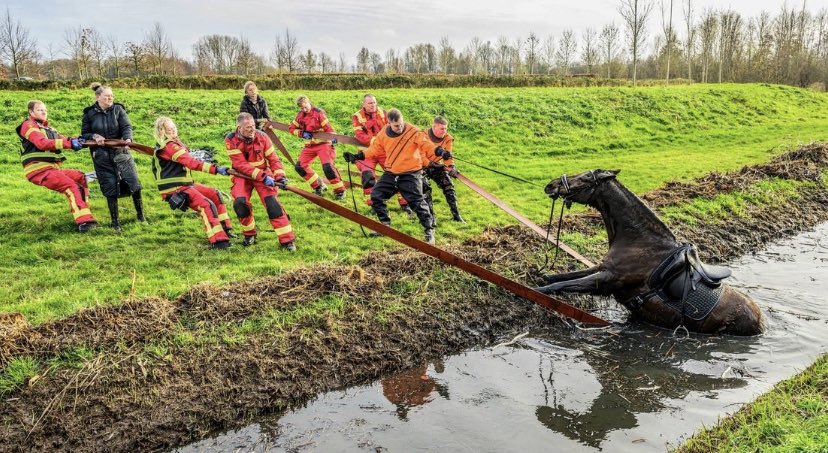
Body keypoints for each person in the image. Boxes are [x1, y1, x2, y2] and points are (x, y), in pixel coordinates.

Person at [344, 109, 448, 244]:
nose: (400, 127)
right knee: (376, 195)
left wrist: (440, 151)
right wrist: (357, 156)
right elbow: (375, 149)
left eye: (401, 124)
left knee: (417, 202)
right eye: (396, 126)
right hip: (392, 172)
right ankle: (385, 225)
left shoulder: (413, 131)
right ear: (389, 123)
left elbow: (426, 145)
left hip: (411, 173)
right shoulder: (383, 134)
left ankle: (429, 230)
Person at [152, 116, 234, 249]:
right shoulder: (170, 146)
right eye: (169, 129)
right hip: (175, 187)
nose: (173, 130)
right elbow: (191, 163)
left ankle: (225, 229)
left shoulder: (174, 144)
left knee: (215, 194)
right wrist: (216, 169)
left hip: (185, 184)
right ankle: (219, 241)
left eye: (173, 127)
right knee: (206, 205)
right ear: (162, 131)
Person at [17, 100, 97, 233]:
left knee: (80, 177)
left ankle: (83, 209)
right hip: (38, 170)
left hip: (52, 169)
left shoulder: (49, 129)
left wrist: (79, 140)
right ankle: (85, 222)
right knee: (72, 186)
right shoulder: (28, 125)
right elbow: (42, 143)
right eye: (40, 110)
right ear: (31, 112)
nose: (44, 112)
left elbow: (64, 139)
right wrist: (70, 144)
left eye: (45, 110)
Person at [225, 112, 296, 251]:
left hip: (263, 173)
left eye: (253, 126)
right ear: (239, 127)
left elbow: (273, 159)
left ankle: (287, 240)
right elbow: (240, 165)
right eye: (248, 127)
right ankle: (249, 234)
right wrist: (262, 177)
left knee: (272, 204)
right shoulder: (230, 140)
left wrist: (280, 176)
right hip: (242, 175)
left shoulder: (263, 137)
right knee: (240, 204)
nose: (252, 129)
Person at [81, 83, 144, 231]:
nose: (110, 98)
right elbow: (84, 133)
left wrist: (127, 139)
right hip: (101, 156)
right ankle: (115, 223)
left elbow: (126, 127)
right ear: (98, 97)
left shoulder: (118, 109)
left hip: (121, 153)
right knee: (110, 188)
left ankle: (141, 216)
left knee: (134, 183)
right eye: (107, 96)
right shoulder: (89, 113)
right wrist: (94, 136)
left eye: (111, 96)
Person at [351, 94, 411, 214]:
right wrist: (376, 141)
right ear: (364, 104)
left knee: (396, 173)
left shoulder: (384, 113)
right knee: (367, 176)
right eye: (370, 103)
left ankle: (405, 203)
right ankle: (375, 205)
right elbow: (360, 135)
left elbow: (392, 129)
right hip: (367, 151)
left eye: (374, 102)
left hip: (384, 150)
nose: (373, 105)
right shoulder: (357, 116)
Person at [287, 95, 346, 200]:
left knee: (328, 167)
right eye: (302, 108)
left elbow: (329, 129)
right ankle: (319, 186)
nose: (304, 110)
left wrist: (334, 138)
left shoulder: (319, 113)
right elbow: (291, 129)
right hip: (310, 145)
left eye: (305, 107)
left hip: (324, 144)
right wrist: (301, 133)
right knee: (299, 167)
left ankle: (340, 191)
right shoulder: (300, 115)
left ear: (308, 102)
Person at [421, 116, 464, 223]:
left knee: (448, 185)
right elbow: (419, 155)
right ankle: (431, 218)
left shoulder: (448, 138)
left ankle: (456, 215)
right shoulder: (423, 136)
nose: (444, 131)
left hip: (437, 166)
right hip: (420, 166)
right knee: (425, 188)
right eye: (441, 129)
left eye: (445, 128)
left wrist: (451, 167)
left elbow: (447, 156)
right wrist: (430, 164)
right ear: (434, 127)